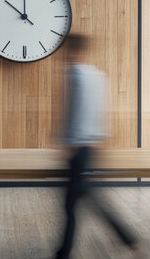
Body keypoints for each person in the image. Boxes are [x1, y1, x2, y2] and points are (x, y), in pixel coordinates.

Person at [55, 34, 143, 259]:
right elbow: (99, 113)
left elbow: (76, 111)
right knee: (84, 200)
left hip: (78, 146)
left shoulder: (75, 75)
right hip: (90, 144)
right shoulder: (97, 75)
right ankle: (130, 240)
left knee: (75, 204)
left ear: (72, 49)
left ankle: (65, 253)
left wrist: (69, 143)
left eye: (64, 48)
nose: (61, 53)